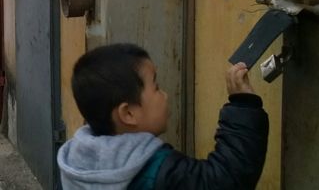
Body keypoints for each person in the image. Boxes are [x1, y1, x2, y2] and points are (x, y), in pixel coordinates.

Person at [57, 43, 269, 190]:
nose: (165, 95)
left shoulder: (76, 162)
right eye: (156, 87)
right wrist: (243, 106)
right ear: (128, 113)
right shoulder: (154, 172)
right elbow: (224, 180)